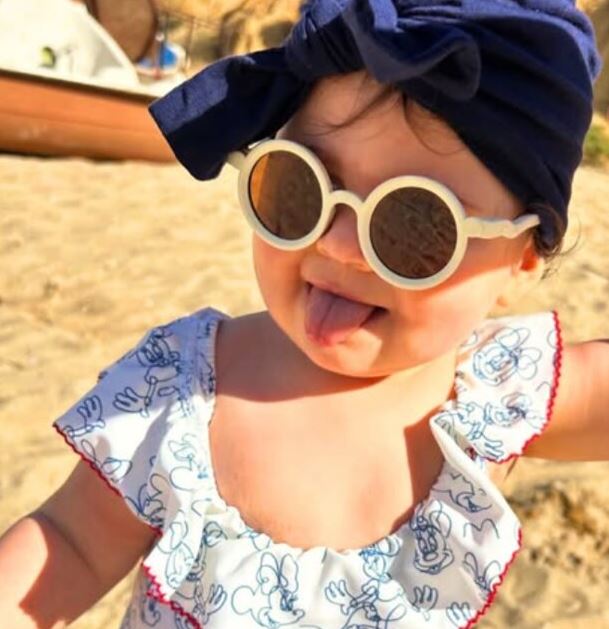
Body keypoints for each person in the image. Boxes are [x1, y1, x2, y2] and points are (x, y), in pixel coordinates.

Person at [1, 1, 608, 627]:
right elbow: (70, 543)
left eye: (416, 223)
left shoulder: (498, 392)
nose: (337, 245)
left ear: (520, 262)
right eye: (300, 185)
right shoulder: (181, 388)